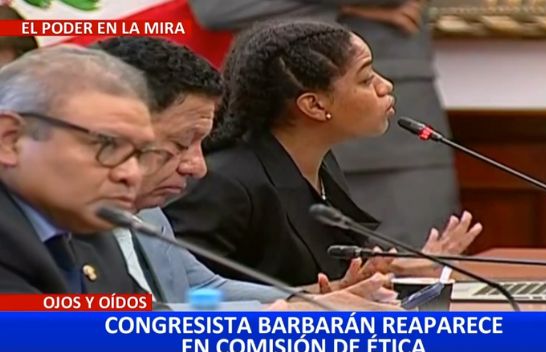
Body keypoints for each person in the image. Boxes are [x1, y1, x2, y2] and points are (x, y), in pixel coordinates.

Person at [164, 20, 481, 289]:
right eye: (366, 79)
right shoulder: (222, 182)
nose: (385, 86)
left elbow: (337, 276)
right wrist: (320, 298)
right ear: (314, 105)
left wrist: (397, 269)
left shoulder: (319, 161)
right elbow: (182, 294)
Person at [94, 36, 399, 311]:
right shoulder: (71, 224)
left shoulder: (148, 211)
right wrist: (284, 314)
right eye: (181, 144)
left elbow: (202, 286)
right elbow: (106, 326)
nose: (198, 167)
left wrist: (319, 298)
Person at [188, 0, 461, 247]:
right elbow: (216, 9)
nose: (382, 84)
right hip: (284, 118)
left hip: (400, 136)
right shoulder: (226, 180)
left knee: (423, 264)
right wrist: (349, 6)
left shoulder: (382, 96)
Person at [0, 45, 168, 293]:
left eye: (139, 153)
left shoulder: (84, 226)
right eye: (107, 144)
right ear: (10, 140)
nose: (131, 174)